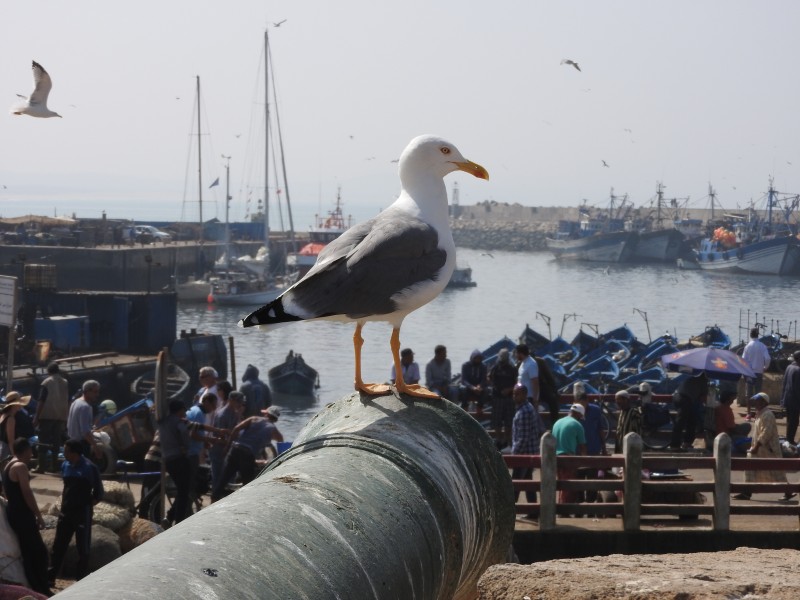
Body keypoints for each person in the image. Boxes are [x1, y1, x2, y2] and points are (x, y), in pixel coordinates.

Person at [48, 438, 104, 583]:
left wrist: (85, 505)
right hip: (65, 513)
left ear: (74, 453)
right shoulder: (65, 465)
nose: (63, 453)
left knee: (83, 549)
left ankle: (80, 580)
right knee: (58, 546)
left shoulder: (89, 468)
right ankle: (50, 578)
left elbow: (99, 493)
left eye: (66, 451)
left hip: (81, 514)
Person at [2, 437, 51, 596]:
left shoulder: (8, 465)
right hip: (23, 514)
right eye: (30, 450)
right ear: (26, 450)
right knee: (38, 552)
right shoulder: (20, 466)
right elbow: (27, 492)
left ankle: (36, 585)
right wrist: (38, 515)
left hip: (14, 513)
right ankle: (41, 588)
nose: (32, 453)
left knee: (28, 551)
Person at [211, 406, 283, 502]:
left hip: (235, 449)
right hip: (248, 455)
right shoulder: (273, 429)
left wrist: (227, 447)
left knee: (224, 478)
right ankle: (246, 503)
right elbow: (281, 441)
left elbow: (236, 429)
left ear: (266, 414)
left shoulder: (253, 419)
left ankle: (214, 498)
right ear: (276, 419)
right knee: (248, 484)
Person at [734, 393, 795, 501]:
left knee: (776, 471)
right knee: (750, 468)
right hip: (761, 448)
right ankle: (747, 491)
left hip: (768, 449)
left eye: (757, 401)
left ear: (763, 402)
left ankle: (788, 491)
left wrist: (757, 446)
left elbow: (766, 433)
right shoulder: (760, 414)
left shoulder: (767, 415)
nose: (755, 403)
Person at [510, 383, 546, 508]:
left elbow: (523, 438)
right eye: (514, 393)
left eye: (517, 394)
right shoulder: (527, 408)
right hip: (529, 452)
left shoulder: (524, 411)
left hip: (523, 453)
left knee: (515, 483)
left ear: (524, 395)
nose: (514, 396)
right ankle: (532, 510)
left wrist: (514, 454)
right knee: (527, 481)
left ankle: (511, 509)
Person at [157, 400, 192, 528]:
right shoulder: (178, 422)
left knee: (181, 490)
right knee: (184, 492)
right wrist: (185, 446)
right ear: (179, 410)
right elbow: (184, 434)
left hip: (168, 460)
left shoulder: (162, 422)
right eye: (183, 410)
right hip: (180, 459)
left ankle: (170, 517)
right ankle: (177, 520)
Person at [33, 362, 69, 473]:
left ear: (48, 371)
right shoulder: (65, 382)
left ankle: (41, 467)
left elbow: (41, 401)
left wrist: (36, 416)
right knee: (56, 442)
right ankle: (55, 466)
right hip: (60, 416)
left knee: (43, 441)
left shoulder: (46, 382)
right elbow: (67, 399)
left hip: (47, 416)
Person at [209, 391, 246, 494]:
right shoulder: (222, 415)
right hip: (218, 449)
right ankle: (215, 498)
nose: (239, 404)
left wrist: (239, 414)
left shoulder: (234, 413)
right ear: (230, 400)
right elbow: (219, 436)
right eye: (237, 402)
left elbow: (235, 430)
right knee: (218, 477)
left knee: (229, 477)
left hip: (228, 448)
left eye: (240, 402)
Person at [551, 403, 587, 504]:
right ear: (579, 414)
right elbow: (582, 447)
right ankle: (564, 509)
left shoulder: (557, 422)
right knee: (568, 487)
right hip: (567, 457)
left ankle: (560, 506)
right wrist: (584, 463)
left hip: (555, 457)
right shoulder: (577, 425)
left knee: (561, 484)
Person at [670, 372, 708, 450]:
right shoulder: (703, 381)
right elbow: (704, 398)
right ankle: (676, 445)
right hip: (685, 399)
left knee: (690, 421)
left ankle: (685, 443)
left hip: (677, 396)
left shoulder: (691, 377)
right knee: (682, 422)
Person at [488, 348, 518, 448]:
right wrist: (494, 386)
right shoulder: (495, 367)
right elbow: (489, 377)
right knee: (497, 421)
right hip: (497, 397)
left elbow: (516, 383)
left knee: (509, 421)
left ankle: (507, 440)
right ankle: (499, 440)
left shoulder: (512, 368)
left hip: (509, 398)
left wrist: (509, 390)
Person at [67, 380, 102, 459]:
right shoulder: (85, 407)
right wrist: (96, 447)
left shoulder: (75, 402)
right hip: (81, 446)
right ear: (87, 391)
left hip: (72, 442)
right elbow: (85, 432)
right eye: (95, 392)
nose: (97, 394)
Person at [742, 328, 771, 419]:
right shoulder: (762, 346)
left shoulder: (747, 346)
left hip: (749, 372)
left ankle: (749, 413)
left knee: (749, 394)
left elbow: (743, 359)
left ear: (751, 335)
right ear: (758, 335)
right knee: (758, 393)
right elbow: (767, 359)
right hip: (758, 372)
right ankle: (758, 412)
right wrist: (765, 367)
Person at [0, 393, 32, 461]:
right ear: (14, 405)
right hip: (6, 450)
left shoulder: (3, 415)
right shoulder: (11, 418)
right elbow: (10, 440)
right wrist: (14, 456)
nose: (20, 405)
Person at [534, 355, 560, 427]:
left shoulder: (540, 361)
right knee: (553, 400)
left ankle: (555, 424)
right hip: (531, 390)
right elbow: (550, 378)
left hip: (540, 388)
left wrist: (554, 391)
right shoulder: (539, 361)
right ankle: (554, 423)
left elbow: (549, 378)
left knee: (553, 400)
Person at [459, 349, 488, 414]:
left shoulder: (483, 366)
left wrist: (479, 386)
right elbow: (464, 380)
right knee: (463, 389)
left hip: (478, 388)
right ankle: (465, 408)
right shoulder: (465, 365)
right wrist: (472, 387)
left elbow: (484, 379)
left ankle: (479, 408)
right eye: (476, 359)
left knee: (486, 390)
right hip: (469, 387)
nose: (478, 361)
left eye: (479, 359)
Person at [781, 351, 800, 444]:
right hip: (795, 401)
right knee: (794, 422)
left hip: (787, 399)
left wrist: (782, 399)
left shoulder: (789, 367)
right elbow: (797, 388)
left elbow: (784, 383)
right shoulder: (798, 370)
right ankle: (790, 440)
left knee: (790, 421)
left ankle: (788, 439)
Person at [614, 389, 643, 454]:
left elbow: (637, 432)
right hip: (621, 447)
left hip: (631, 448)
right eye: (616, 400)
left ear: (626, 400)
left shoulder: (634, 413)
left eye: (619, 400)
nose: (617, 402)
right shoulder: (621, 412)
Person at [514, 344, 540, 410]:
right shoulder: (523, 363)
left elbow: (535, 382)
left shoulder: (531, 364)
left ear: (521, 353)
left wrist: (535, 399)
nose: (515, 355)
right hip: (521, 397)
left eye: (516, 353)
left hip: (529, 398)